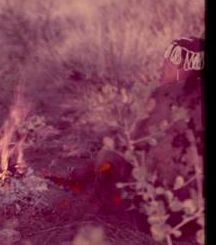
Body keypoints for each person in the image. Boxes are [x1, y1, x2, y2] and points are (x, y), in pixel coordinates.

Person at [61, 37, 204, 230]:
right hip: (198, 217)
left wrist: (83, 172)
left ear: (188, 67)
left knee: (109, 158)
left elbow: (128, 149)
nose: (164, 67)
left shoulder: (164, 97)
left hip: (163, 216)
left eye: (171, 62)